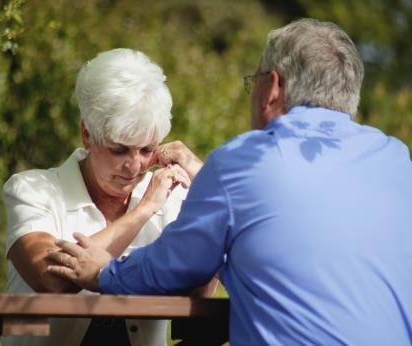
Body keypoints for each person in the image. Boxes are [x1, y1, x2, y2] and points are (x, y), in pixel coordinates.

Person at [47, 18, 412, 345]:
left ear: (271, 89)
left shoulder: (243, 162)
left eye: (252, 82)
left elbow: (174, 263)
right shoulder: (397, 162)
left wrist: (104, 273)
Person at [2, 48, 205, 346]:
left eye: (147, 150)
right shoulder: (32, 189)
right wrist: (143, 211)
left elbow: (199, 293)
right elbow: (49, 278)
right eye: (120, 150)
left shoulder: (170, 197)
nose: (135, 166)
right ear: (87, 133)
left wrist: (205, 185)